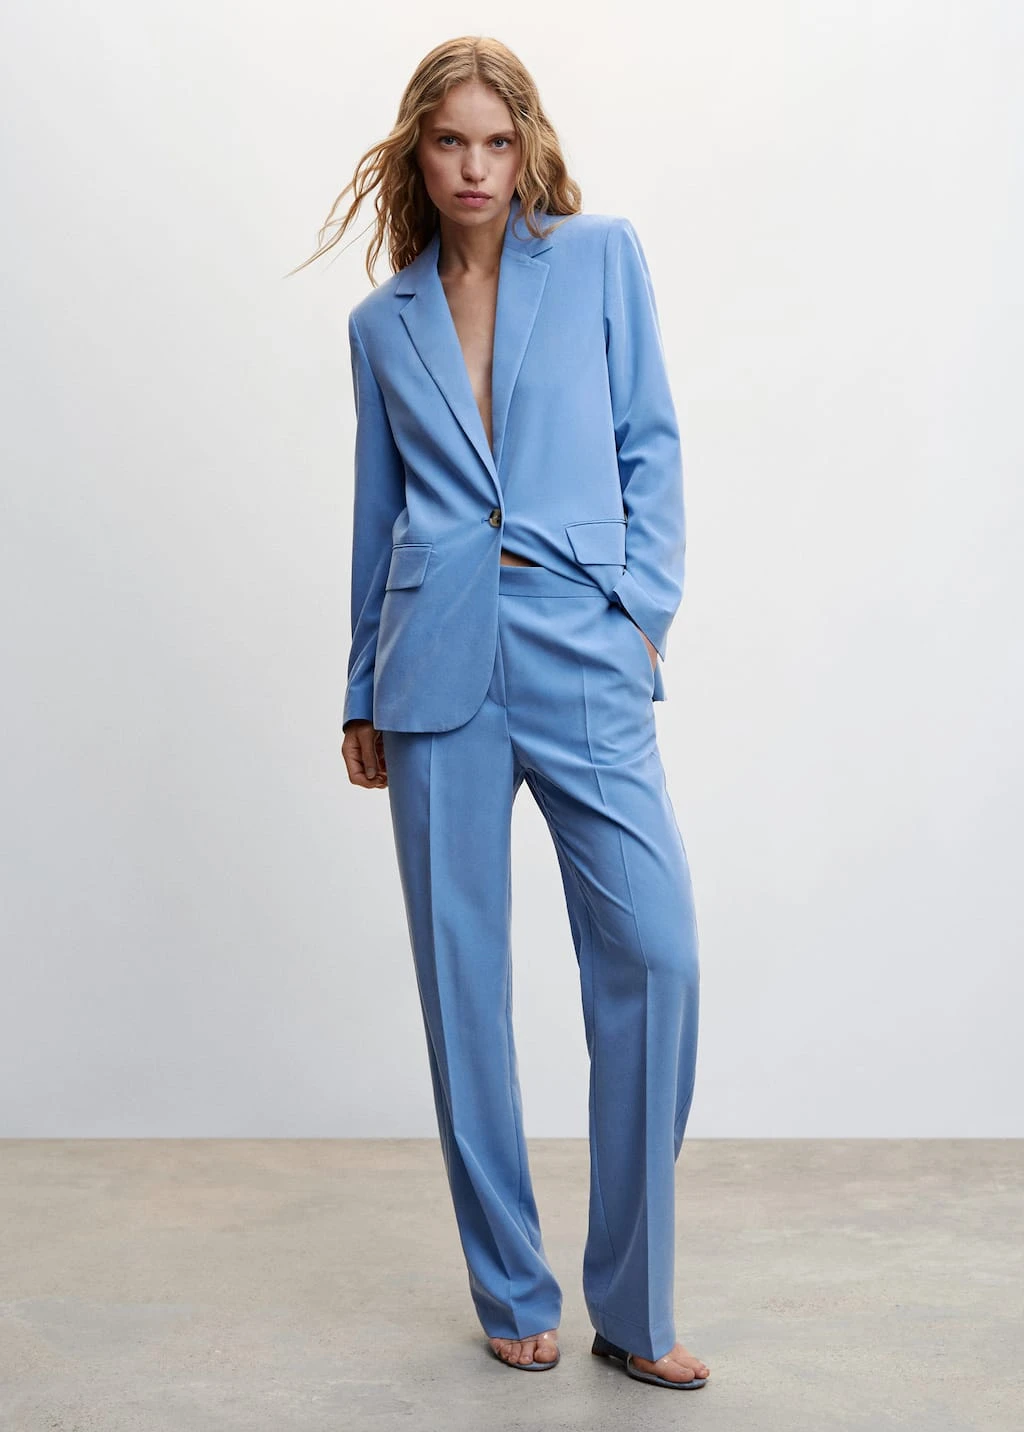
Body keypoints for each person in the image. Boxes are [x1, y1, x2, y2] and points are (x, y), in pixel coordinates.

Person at [299, 36, 709, 1391]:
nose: (474, 166)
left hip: (583, 645)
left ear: (526, 145)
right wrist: (360, 686)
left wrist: (640, 613)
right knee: (463, 987)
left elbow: (652, 439)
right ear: (415, 155)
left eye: (494, 139)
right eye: (448, 142)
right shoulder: (383, 325)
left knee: (654, 953)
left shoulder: (598, 259)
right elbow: (380, 512)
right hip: (433, 671)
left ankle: (634, 1305)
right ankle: (509, 1285)